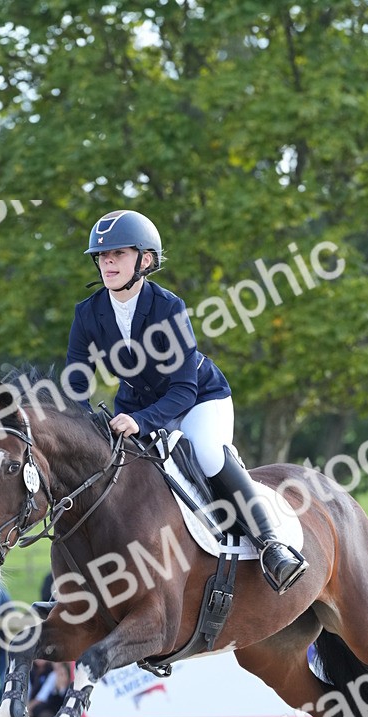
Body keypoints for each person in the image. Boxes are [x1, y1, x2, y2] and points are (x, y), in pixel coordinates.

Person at [64, 209, 307, 594]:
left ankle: (271, 545)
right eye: (102, 256)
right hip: (135, 403)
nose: (107, 262)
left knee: (206, 453)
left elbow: (183, 390)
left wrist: (140, 422)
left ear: (145, 260)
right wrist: (76, 422)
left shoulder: (167, 307)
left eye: (118, 254)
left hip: (198, 399)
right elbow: (76, 381)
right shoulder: (88, 312)